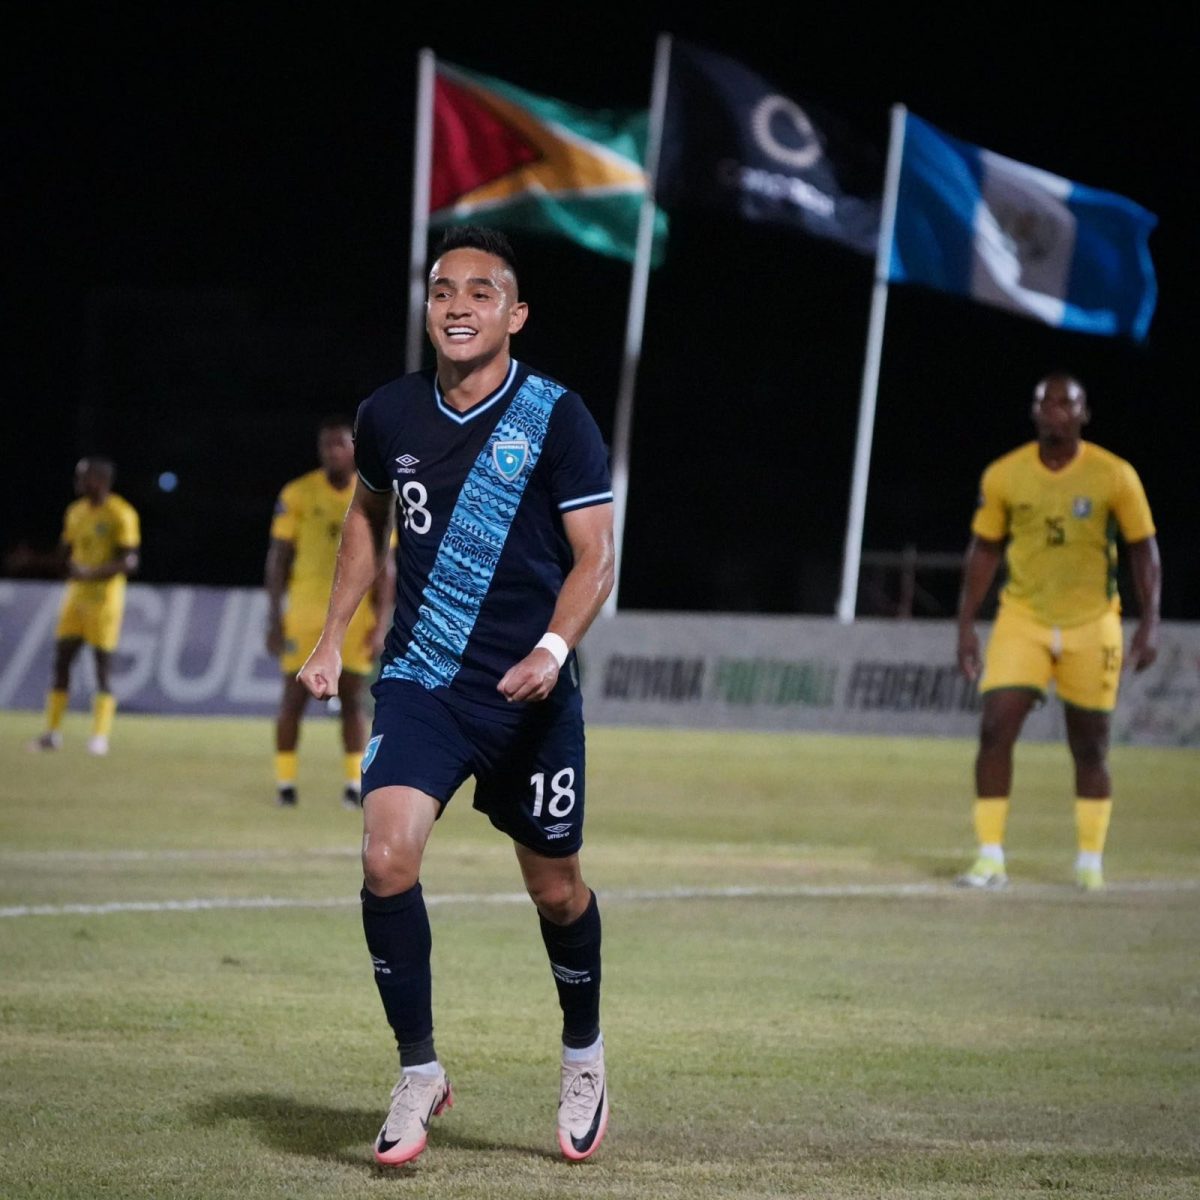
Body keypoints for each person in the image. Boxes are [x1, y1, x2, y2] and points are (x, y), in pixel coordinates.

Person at [298, 226, 615, 1166]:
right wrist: (330, 639)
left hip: (530, 694)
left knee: (556, 891)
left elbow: (596, 557)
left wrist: (555, 649)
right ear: (428, 309)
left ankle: (584, 1054)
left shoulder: (557, 417)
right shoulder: (388, 415)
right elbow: (368, 518)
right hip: (422, 681)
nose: (459, 306)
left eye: (481, 292)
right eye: (443, 291)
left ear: (514, 314)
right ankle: (418, 1070)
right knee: (386, 855)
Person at [955, 372, 1161, 892]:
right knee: (995, 728)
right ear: (1034, 413)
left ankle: (1089, 861)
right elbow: (984, 550)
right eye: (1045, 403)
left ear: (1083, 414)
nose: (1054, 412)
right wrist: (965, 625)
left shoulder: (1114, 475)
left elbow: (1143, 550)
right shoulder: (1004, 474)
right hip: (1022, 618)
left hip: (1093, 623)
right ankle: (989, 857)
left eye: (1065, 404)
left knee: (1090, 746)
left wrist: (1148, 623)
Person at [265, 415, 394, 809]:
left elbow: (387, 565)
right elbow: (278, 558)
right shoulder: (298, 493)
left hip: (357, 616)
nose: (332, 452)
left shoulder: (376, 494)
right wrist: (274, 614)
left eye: (340, 444)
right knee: (293, 698)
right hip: (304, 612)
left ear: (354, 448)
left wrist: (382, 621)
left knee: (353, 701)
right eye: (326, 446)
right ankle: (286, 785)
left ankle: (354, 785)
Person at [27, 457, 141, 756]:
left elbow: (131, 561)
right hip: (75, 598)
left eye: (84, 476)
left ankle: (99, 737)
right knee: (61, 662)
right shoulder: (75, 512)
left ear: (101, 480)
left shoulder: (121, 513)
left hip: (104, 601)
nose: (78, 482)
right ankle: (51, 734)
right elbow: (63, 557)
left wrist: (91, 572)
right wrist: (32, 561)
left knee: (102, 667)